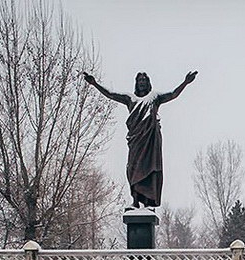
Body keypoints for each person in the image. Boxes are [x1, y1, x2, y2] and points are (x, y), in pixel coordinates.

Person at [83, 70, 197, 209]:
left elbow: (173, 94)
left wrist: (185, 82)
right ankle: (135, 201)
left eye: (144, 80)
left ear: (148, 83)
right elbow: (110, 95)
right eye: (139, 80)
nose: (142, 82)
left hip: (150, 141)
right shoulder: (129, 99)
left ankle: (148, 202)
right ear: (136, 83)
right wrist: (94, 84)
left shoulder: (154, 98)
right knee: (133, 168)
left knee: (150, 167)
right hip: (136, 141)